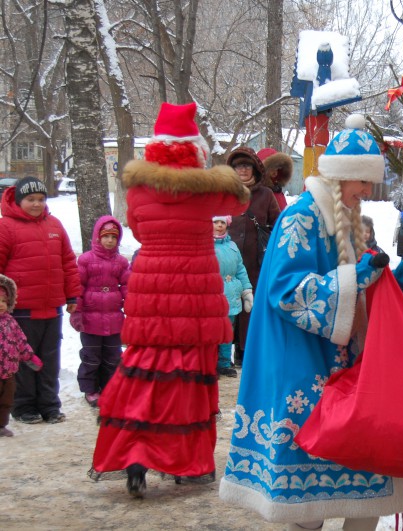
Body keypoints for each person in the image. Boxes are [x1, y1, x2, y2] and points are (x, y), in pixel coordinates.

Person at [219, 114, 403, 530]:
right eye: (362, 180)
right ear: (342, 176)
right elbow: (287, 292)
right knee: (306, 498)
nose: (367, 190)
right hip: (304, 363)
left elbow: (359, 271)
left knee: (370, 484)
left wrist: (391, 280)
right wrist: (358, 278)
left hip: (345, 365)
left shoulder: (349, 218)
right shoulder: (301, 218)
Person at [88, 102, 250, 498]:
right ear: (194, 148)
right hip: (194, 294)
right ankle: (184, 464)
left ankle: (134, 453)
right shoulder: (209, 190)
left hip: (151, 293)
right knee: (188, 380)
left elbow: (139, 230)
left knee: (145, 372)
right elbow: (241, 201)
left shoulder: (139, 191)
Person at [0, 176, 80, 425]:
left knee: (49, 359)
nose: (36, 204)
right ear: (18, 200)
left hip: (52, 308)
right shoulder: (6, 227)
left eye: (41, 199)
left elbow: (67, 261)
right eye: (30, 199)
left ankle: (49, 405)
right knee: (24, 359)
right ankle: (24, 406)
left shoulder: (54, 224)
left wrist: (72, 294)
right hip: (21, 310)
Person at [227, 146, 281, 367]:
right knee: (226, 305)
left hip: (255, 263)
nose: (243, 170)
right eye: (238, 166)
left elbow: (278, 225)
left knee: (251, 307)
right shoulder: (223, 192)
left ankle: (245, 352)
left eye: (247, 166)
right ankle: (222, 354)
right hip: (226, 263)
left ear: (255, 170)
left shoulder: (266, 195)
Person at [70, 216, 131, 407]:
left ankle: (110, 388)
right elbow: (77, 287)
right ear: (97, 237)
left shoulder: (121, 262)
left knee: (113, 357)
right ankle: (90, 389)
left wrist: (132, 308)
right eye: (106, 236)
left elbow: (128, 285)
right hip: (90, 320)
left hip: (114, 320)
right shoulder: (86, 260)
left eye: (114, 237)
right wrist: (77, 312)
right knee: (91, 357)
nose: (110, 240)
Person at [0, 274, 43, 437]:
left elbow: (21, 342)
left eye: (4, 301)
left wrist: (30, 358)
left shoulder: (11, 322)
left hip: (9, 372)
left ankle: (1, 425)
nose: (1, 305)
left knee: (6, 400)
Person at [212, 215, 252, 378]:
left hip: (231, 296)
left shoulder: (232, 246)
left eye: (223, 222)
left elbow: (240, 269)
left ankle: (224, 362)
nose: (219, 226)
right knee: (212, 332)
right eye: (216, 222)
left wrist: (247, 292)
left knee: (227, 331)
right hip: (213, 295)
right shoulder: (204, 246)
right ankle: (209, 362)